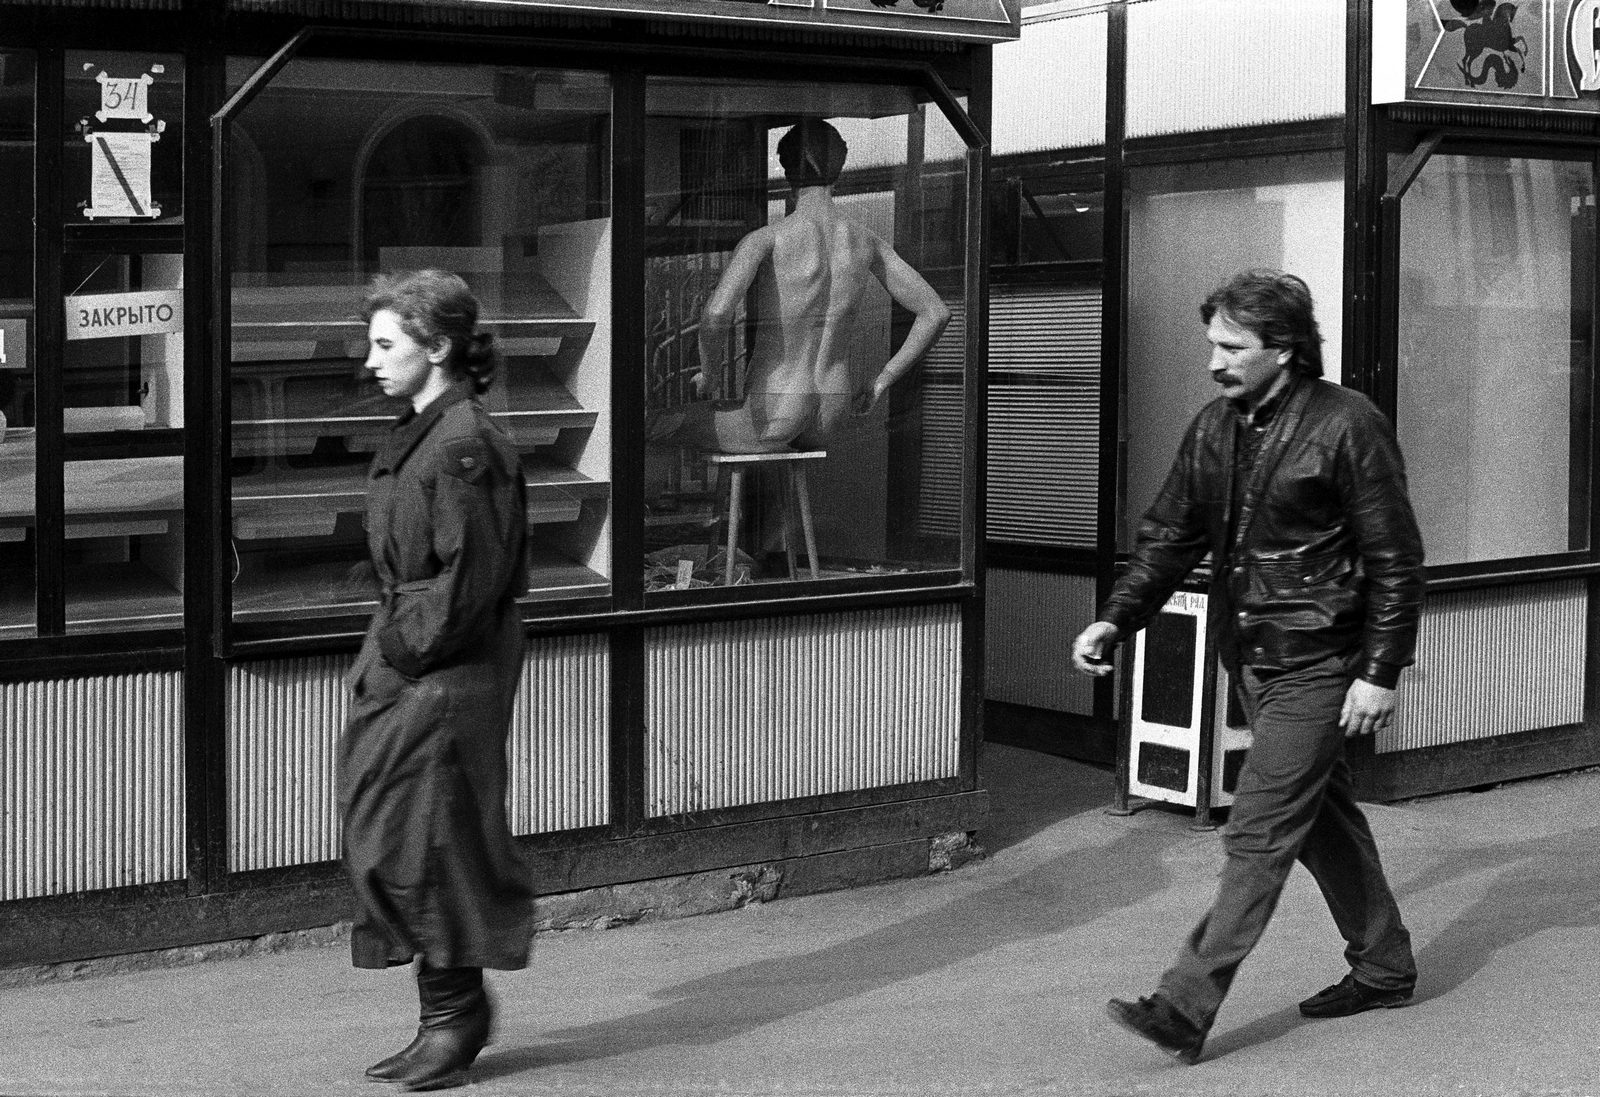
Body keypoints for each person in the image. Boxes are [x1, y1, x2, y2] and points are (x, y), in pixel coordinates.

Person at [1072, 269, 1424, 1064]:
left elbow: (1396, 559)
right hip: (1254, 657)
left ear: (1285, 348)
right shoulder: (1214, 428)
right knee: (1320, 815)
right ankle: (1384, 964)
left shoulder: (1347, 424)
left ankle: (1183, 1004)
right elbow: (1168, 537)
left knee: (1260, 829)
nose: (1214, 361)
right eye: (1212, 344)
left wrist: (1380, 670)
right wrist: (1115, 618)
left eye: (1232, 347)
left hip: (1320, 659)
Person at [339, 269, 534, 1091]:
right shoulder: (423, 432)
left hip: (447, 667)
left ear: (440, 346)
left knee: (431, 837)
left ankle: (453, 1018)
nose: (371, 360)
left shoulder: (462, 443)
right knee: (390, 833)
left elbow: (472, 575)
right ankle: (448, 1012)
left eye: (387, 343)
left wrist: (405, 645)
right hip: (414, 658)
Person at [647, 118, 951, 454]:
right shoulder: (867, 242)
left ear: (786, 169)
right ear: (839, 168)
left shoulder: (767, 239)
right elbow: (935, 313)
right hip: (833, 408)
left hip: (779, 404)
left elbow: (716, 314)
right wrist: (881, 382)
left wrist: (710, 377)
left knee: (657, 425)